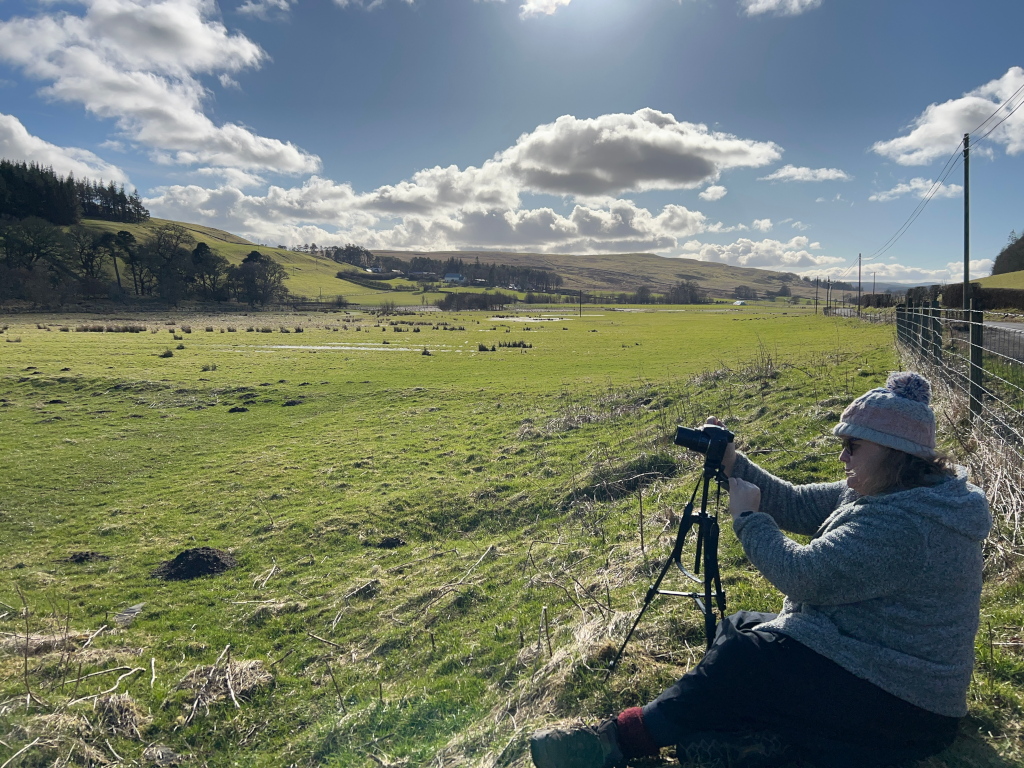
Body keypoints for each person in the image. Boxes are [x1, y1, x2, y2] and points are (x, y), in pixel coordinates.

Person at [530, 372, 991, 768]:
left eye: (853, 446)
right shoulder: (885, 488)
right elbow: (792, 501)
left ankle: (617, 740)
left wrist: (749, 521)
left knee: (745, 656)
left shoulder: (910, 525)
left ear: (893, 451)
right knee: (739, 627)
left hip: (907, 705)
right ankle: (748, 740)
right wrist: (732, 462)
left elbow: (803, 576)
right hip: (869, 657)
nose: (843, 458)